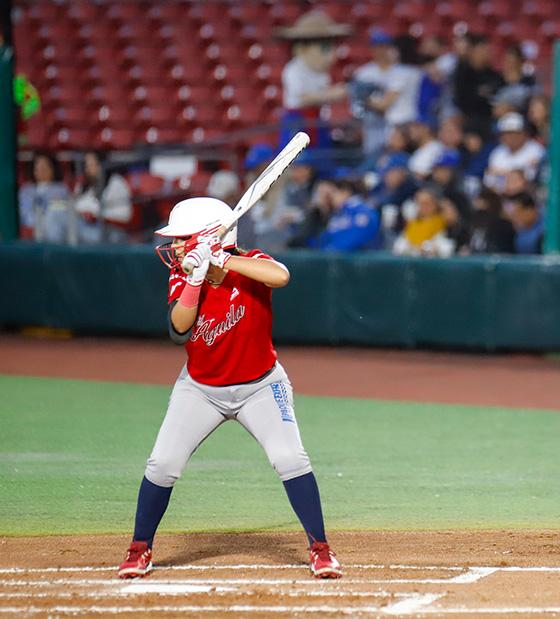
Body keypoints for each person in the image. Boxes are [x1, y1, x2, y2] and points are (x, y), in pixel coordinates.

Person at [119, 198, 341, 579]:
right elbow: (179, 330)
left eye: (183, 239)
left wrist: (222, 261)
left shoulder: (251, 262)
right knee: (163, 464)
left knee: (291, 459)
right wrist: (195, 278)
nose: (174, 247)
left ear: (209, 238)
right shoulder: (182, 273)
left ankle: (321, 549)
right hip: (200, 389)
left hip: (261, 387)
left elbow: (280, 275)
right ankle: (139, 549)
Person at [275, 11, 351, 150]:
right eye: (324, 47)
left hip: (318, 121)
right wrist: (331, 94)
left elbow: (322, 97)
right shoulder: (293, 70)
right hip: (297, 121)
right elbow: (302, 97)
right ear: (302, 48)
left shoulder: (322, 74)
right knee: (297, 160)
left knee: (321, 159)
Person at [353, 29, 423, 156]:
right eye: (378, 46)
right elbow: (357, 107)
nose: (382, 51)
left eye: (385, 47)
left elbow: (384, 104)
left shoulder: (401, 71)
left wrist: (366, 100)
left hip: (401, 122)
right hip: (377, 123)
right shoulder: (364, 73)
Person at [72, 151, 132, 244]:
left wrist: (97, 214)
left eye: (92, 165)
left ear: (102, 165)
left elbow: (125, 215)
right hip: (85, 228)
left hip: (111, 231)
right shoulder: (83, 185)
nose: (88, 170)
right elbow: (76, 206)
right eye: (86, 166)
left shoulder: (116, 183)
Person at [307, 179, 381, 252]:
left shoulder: (363, 211)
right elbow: (322, 240)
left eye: (334, 193)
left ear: (345, 192)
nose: (331, 198)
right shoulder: (337, 214)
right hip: (339, 261)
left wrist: (330, 250)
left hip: (362, 262)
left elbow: (357, 239)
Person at [484, 112, 545, 192]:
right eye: (505, 133)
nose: (509, 137)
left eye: (512, 133)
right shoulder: (497, 152)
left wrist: (502, 172)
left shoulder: (536, 150)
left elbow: (529, 178)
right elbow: (489, 181)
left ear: (523, 133)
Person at [18, 152, 70, 242]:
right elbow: (23, 211)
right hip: (28, 231)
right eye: (38, 168)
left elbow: (60, 210)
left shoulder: (61, 189)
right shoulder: (26, 189)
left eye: (45, 167)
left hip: (51, 232)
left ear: (53, 169)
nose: (41, 170)